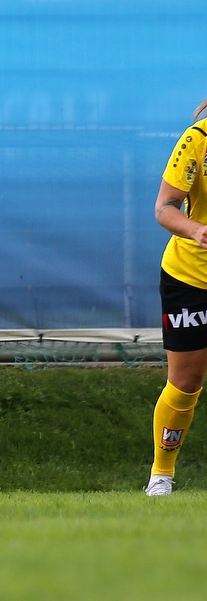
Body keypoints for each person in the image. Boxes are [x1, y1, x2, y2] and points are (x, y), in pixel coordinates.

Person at [145, 97, 207, 495]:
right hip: (191, 277)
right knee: (186, 380)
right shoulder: (197, 139)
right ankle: (161, 476)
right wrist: (196, 231)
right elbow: (165, 208)